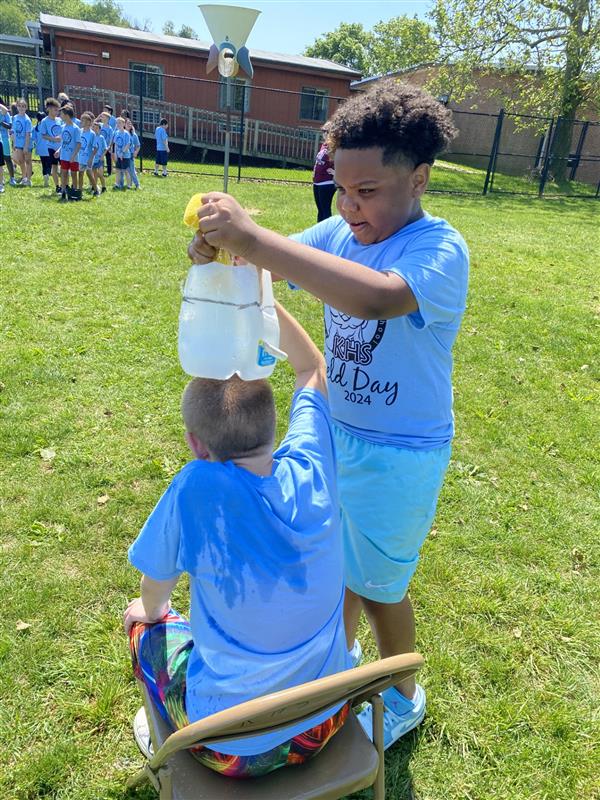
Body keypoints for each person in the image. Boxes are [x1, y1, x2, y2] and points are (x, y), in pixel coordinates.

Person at [188, 79, 470, 750]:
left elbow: (374, 299)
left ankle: (403, 695)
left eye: (367, 191)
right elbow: (272, 263)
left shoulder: (438, 250)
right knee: (328, 565)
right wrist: (225, 251)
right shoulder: (342, 229)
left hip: (401, 454)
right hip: (335, 434)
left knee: (379, 585)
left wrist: (255, 242)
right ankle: (333, 672)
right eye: (341, 189)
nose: (349, 206)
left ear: (420, 178)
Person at [124, 299, 351, 778]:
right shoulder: (313, 466)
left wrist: (148, 615)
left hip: (233, 750)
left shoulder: (196, 488)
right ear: (273, 426)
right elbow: (311, 367)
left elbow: (154, 594)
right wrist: (260, 296)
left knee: (143, 623)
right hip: (328, 717)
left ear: (195, 444)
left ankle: (163, 727)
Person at [56, 105, 81, 202]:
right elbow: (63, 142)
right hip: (64, 156)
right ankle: (63, 191)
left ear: (66, 115)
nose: (60, 116)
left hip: (73, 157)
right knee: (64, 173)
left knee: (74, 175)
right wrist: (59, 150)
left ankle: (74, 192)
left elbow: (78, 144)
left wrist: (73, 156)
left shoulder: (76, 129)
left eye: (61, 114)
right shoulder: (63, 127)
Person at [38, 97, 63, 193]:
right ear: (49, 109)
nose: (57, 112)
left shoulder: (59, 120)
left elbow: (63, 132)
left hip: (60, 147)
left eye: (58, 110)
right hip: (51, 147)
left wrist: (60, 137)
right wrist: (53, 139)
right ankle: (57, 186)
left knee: (63, 168)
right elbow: (43, 135)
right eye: (55, 110)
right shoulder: (44, 121)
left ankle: (64, 185)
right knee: (54, 167)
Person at [312, 140, 336, 222]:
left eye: (326, 132)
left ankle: (328, 232)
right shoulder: (324, 145)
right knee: (320, 210)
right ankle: (320, 231)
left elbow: (343, 161)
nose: (324, 134)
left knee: (325, 210)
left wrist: (335, 172)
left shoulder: (335, 146)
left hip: (327, 183)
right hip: (317, 181)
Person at [11, 98, 32, 186]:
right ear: (17, 107)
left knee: (28, 161)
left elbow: (28, 134)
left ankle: (29, 180)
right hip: (18, 143)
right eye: (19, 106)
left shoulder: (27, 120)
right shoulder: (15, 118)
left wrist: (26, 146)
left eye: (23, 106)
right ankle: (24, 177)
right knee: (21, 161)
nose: (21, 108)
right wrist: (14, 143)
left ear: (26, 108)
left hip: (26, 143)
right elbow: (14, 132)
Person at [77, 112, 99, 196]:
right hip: (80, 157)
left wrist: (91, 158)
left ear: (89, 123)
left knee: (89, 173)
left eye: (83, 121)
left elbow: (95, 147)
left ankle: (95, 189)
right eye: (81, 120)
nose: (81, 122)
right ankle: (80, 191)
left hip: (88, 158)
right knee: (80, 173)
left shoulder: (92, 134)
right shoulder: (80, 131)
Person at [0, 97, 16, 186]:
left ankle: (12, 178)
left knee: (7, 159)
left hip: (4, 138)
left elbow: (10, 126)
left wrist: (1, 122)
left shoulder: (5, 114)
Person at [112, 117, 131, 190]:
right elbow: (116, 144)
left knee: (126, 170)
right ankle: (117, 184)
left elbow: (127, 144)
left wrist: (122, 153)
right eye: (117, 123)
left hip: (125, 155)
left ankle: (129, 185)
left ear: (123, 124)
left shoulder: (126, 133)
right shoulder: (116, 133)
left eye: (120, 123)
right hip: (118, 155)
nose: (118, 124)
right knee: (118, 170)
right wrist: (116, 154)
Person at [92, 118, 107, 193]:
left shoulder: (101, 138)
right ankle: (94, 186)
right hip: (93, 159)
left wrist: (102, 156)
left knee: (100, 174)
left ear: (99, 129)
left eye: (97, 128)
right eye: (94, 127)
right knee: (94, 174)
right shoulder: (91, 136)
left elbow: (105, 149)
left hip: (100, 159)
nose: (95, 129)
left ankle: (104, 186)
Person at [125, 118, 140, 189]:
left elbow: (138, 145)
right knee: (126, 171)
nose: (129, 125)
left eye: (130, 123)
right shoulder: (122, 134)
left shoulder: (133, 135)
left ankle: (137, 185)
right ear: (124, 125)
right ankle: (128, 184)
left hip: (130, 154)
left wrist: (136, 152)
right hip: (123, 155)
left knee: (132, 170)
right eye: (128, 123)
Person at [102, 105, 116, 175]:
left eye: (104, 117)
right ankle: (100, 171)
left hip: (107, 146)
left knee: (108, 159)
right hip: (100, 146)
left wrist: (109, 146)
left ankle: (109, 172)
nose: (102, 118)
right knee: (100, 159)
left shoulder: (110, 128)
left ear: (108, 119)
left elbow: (111, 138)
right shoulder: (100, 125)